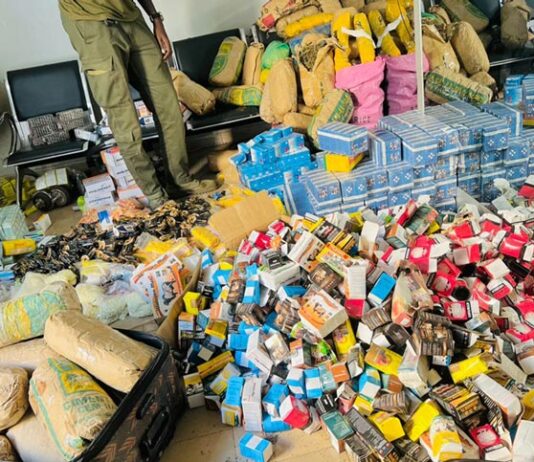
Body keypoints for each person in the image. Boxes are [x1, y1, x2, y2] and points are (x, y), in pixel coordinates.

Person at [58, 0, 218, 208]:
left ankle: (179, 181)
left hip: (131, 17)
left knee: (168, 106)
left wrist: (155, 18)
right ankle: (156, 195)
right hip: (92, 24)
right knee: (126, 122)